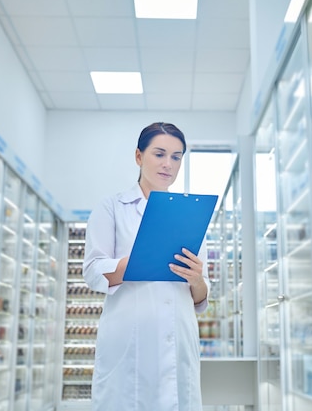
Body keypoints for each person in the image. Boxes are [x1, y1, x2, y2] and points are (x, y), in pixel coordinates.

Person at [82, 122, 210, 411]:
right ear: (139, 157)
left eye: (176, 157)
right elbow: (92, 270)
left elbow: (201, 296)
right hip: (129, 340)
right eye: (160, 154)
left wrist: (197, 281)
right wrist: (141, 258)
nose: (168, 164)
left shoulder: (189, 213)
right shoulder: (112, 207)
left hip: (178, 340)